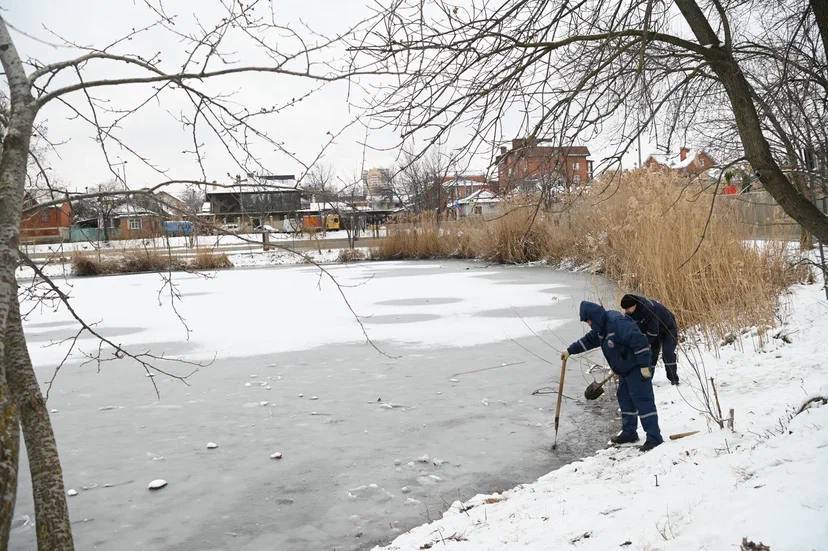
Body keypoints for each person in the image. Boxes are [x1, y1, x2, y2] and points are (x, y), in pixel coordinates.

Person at [561, 301, 663, 452]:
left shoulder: (617, 323)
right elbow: (588, 341)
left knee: (643, 401)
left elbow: (640, 342)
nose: (588, 324)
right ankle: (629, 433)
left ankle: (654, 438)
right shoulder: (600, 328)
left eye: (588, 320)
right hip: (624, 370)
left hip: (637, 368)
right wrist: (569, 351)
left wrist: (644, 366)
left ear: (594, 316)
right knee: (625, 399)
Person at [620, 294, 680, 385]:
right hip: (653, 332)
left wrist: (644, 344)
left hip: (668, 328)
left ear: (634, 305)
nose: (626, 311)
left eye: (627, 308)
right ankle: (647, 380)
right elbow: (630, 329)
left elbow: (653, 331)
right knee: (650, 356)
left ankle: (673, 379)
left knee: (668, 353)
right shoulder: (630, 313)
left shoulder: (648, 309)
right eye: (625, 309)